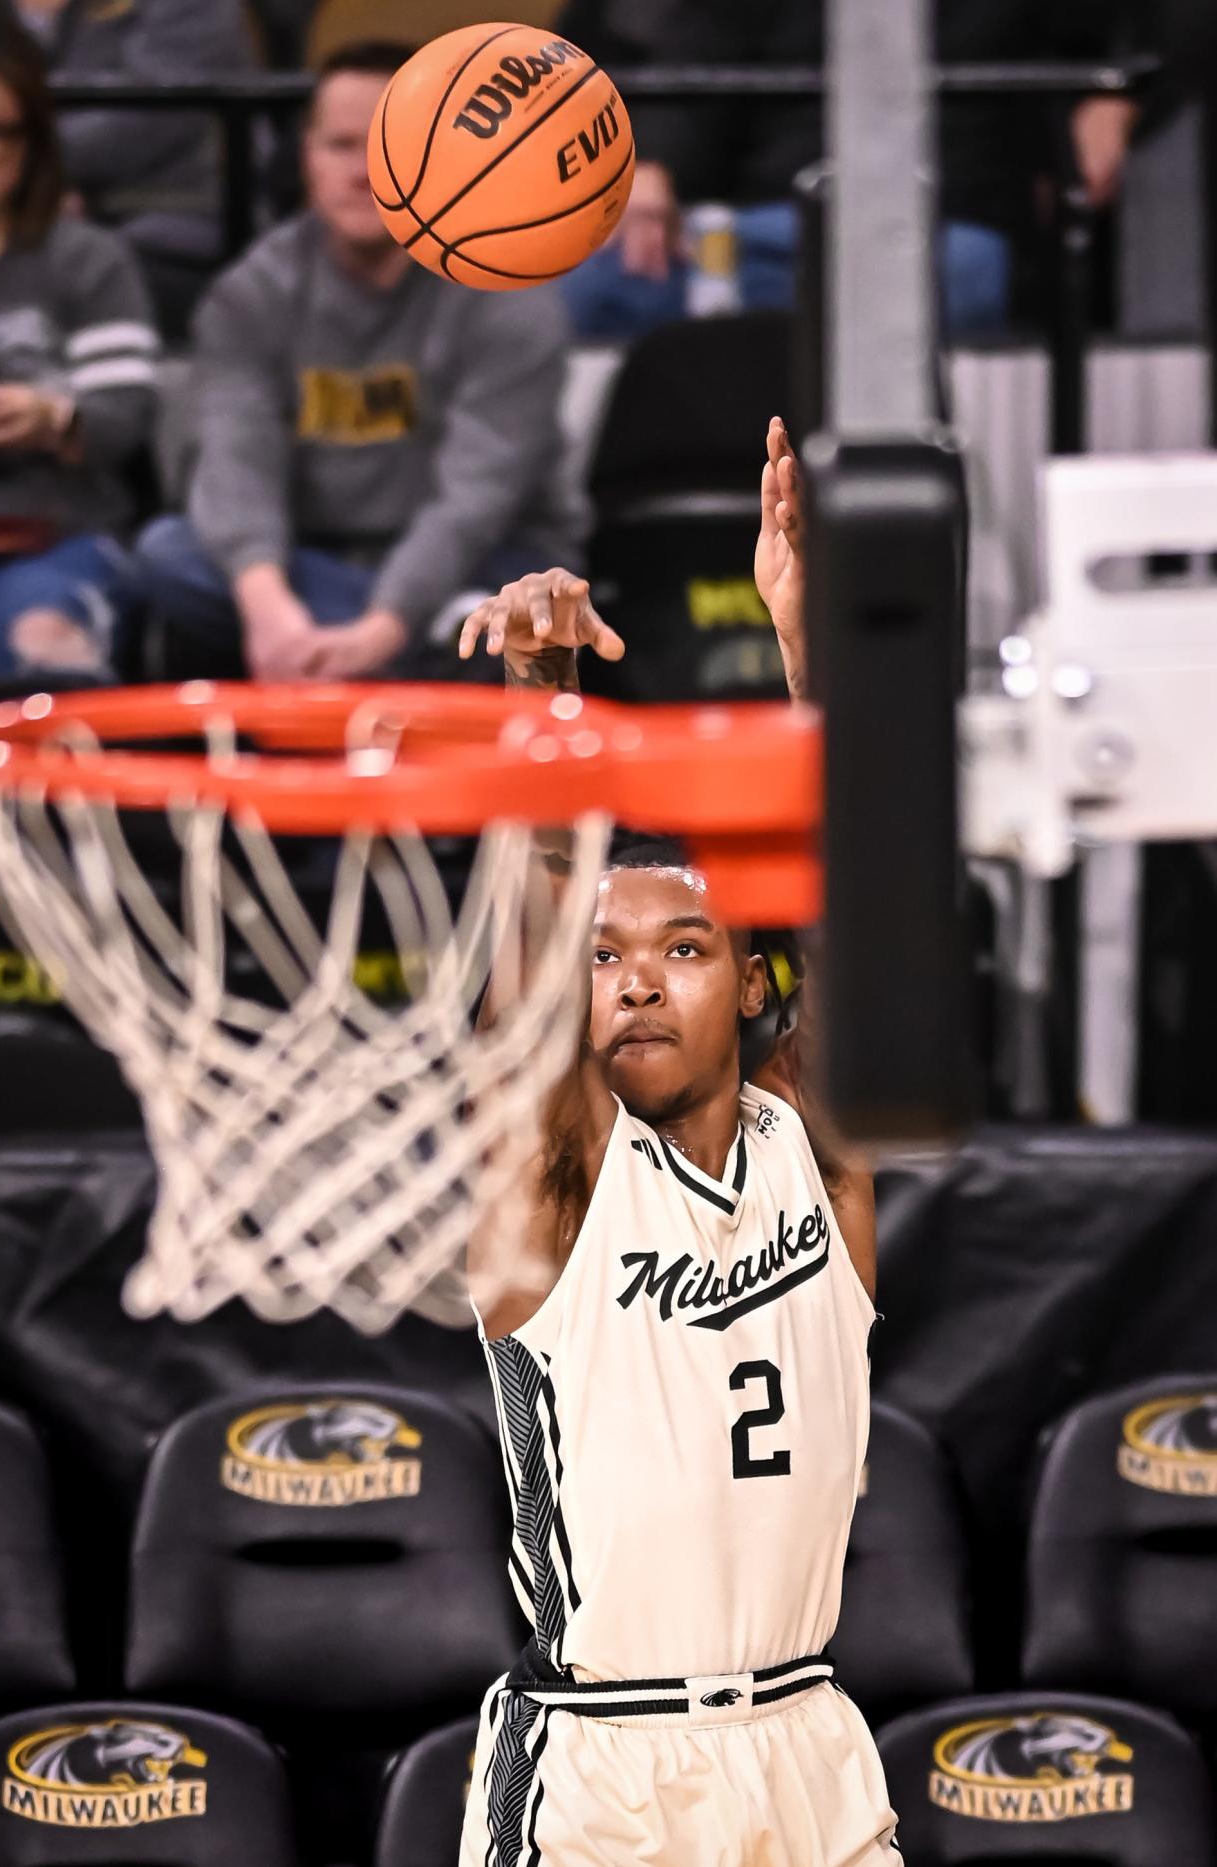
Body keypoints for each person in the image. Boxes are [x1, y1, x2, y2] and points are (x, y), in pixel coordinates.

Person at [452, 417, 899, 1864]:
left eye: (685, 945)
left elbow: (869, 893)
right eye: (609, 953)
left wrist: (813, 639)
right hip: (604, 1761)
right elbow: (529, 959)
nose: (634, 976)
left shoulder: (809, 1153)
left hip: (810, 1741)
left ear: (753, 982)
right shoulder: (557, 1180)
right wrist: (543, 692)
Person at [135, 40, 580, 685]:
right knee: (169, 554)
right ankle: (428, 648)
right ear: (305, 158)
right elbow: (236, 464)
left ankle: (417, 641)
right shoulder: (251, 293)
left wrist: (383, 628)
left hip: (481, 562)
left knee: (526, 601)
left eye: (392, 147)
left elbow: (477, 499)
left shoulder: (506, 289)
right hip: (311, 562)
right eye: (341, 146)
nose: (364, 172)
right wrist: (271, 614)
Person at [557, 0, 1140, 342]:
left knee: (964, 276)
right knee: (585, 290)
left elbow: (1143, 26)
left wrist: (1115, 98)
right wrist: (651, 162)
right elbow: (698, 55)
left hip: (944, 223)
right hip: (765, 226)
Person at [0, 22, 158, 683]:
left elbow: (125, 423)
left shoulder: (86, 261)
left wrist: (51, 418)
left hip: (56, 536)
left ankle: (69, 782)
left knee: (39, 630)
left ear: (28, 145)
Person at [3, 0, 256, 337]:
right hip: (30, 221)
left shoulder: (194, 6)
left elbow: (146, 124)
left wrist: (31, 180)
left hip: (170, 228)